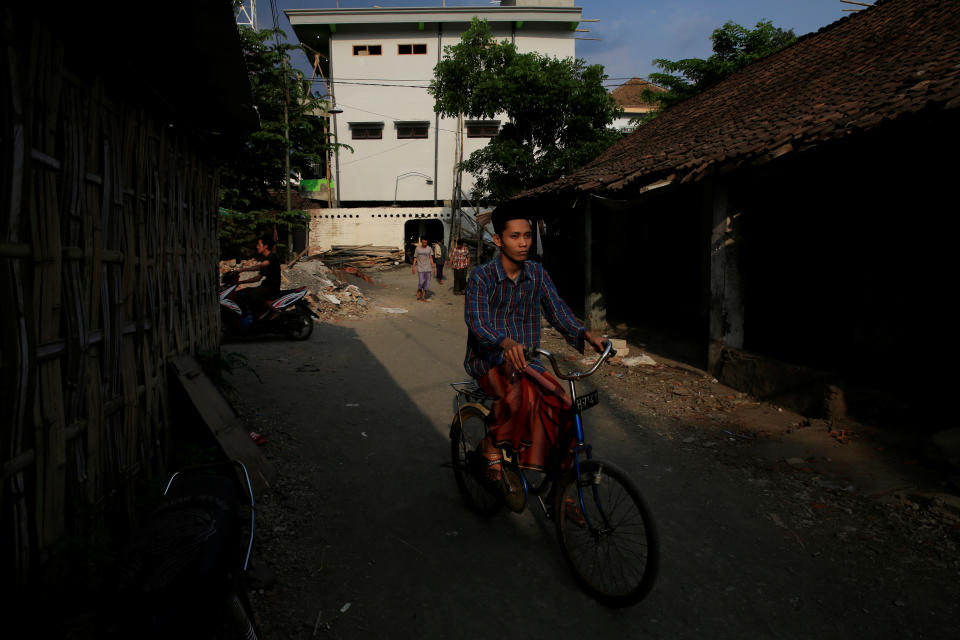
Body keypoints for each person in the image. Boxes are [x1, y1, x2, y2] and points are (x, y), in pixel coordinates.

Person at [464, 209, 605, 507]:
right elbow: (477, 322)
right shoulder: (482, 276)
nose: (523, 243)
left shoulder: (537, 274)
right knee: (521, 397)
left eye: (527, 236)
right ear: (498, 240)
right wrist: (503, 341)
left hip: (528, 363)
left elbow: (557, 310)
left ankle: (560, 494)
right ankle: (490, 444)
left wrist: (585, 335)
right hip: (488, 360)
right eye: (515, 236)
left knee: (564, 410)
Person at [237, 233, 281, 317]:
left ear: (265, 246)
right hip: (265, 286)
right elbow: (257, 278)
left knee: (252, 295)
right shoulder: (266, 260)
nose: (257, 246)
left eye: (259, 244)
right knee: (242, 292)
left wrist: (242, 270)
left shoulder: (272, 257)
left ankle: (274, 311)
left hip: (272, 288)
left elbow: (260, 266)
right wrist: (240, 282)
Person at [412, 237, 435, 301]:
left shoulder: (429, 248)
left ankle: (423, 297)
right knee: (421, 282)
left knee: (427, 283)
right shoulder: (417, 249)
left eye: (426, 242)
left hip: (428, 268)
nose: (425, 243)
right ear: (421, 242)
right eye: (424, 242)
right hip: (420, 268)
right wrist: (413, 267)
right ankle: (419, 289)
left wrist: (433, 267)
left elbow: (431, 258)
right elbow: (415, 258)